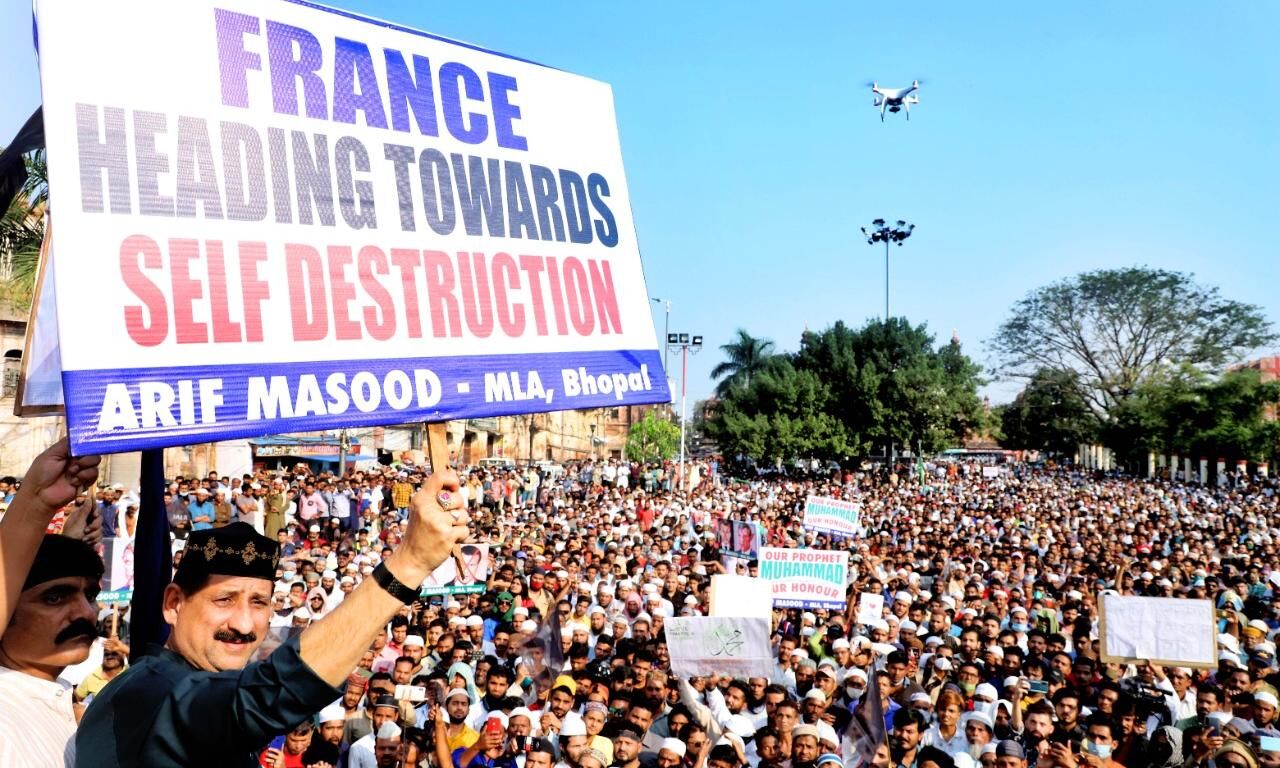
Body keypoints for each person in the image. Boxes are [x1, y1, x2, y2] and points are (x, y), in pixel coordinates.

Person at [77, 471, 471, 766]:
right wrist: (409, 563)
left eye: (259, 603)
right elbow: (264, 699)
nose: (244, 625)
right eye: (224, 600)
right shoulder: (152, 690)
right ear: (174, 604)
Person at [0, 438, 103, 767]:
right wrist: (36, 502)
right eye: (55, 598)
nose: (85, 613)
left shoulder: (57, 701)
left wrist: (67, 545)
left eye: (90, 595)